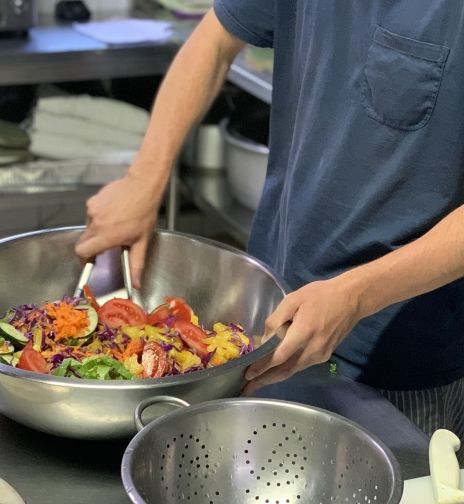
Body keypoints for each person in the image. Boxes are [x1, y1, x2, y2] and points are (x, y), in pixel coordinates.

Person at [76, 1, 464, 443]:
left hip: (398, 360)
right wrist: (143, 178)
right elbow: (215, 39)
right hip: (268, 321)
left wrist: (356, 296)